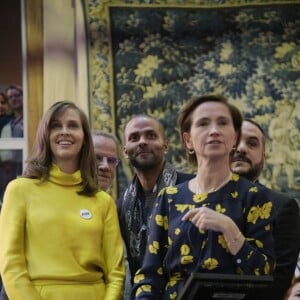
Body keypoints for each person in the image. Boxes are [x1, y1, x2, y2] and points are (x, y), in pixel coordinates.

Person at [132, 95, 275, 300]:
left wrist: (229, 228)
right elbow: (150, 275)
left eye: (223, 123)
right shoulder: (169, 198)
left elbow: (264, 272)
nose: (214, 130)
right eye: (203, 123)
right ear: (188, 140)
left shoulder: (254, 196)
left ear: (234, 137)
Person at [0, 100, 125, 300]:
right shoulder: (18, 191)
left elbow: (116, 273)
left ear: (84, 138)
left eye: (73, 125)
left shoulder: (103, 201)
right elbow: (11, 267)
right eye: (56, 126)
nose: (64, 131)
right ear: (45, 135)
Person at [117, 115, 194, 298]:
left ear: (165, 145)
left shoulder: (192, 188)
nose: (142, 142)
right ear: (125, 151)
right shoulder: (121, 206)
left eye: (151, 136)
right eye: (134, 138)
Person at [231, 119, 300, 300]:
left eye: (252, 143)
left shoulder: (283, 207)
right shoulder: (191, 198)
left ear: (264, 155)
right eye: (235, 141)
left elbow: (278, 282)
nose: (241, 148)